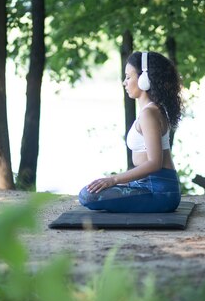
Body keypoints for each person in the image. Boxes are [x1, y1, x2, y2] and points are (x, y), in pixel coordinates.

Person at [78, 51, 184, 213]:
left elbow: (155, 162)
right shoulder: (151, 111)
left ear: (144, 79)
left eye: (128, 77)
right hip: (149, 186)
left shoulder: (149, 113)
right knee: (92, 190)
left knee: (88, 195)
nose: (124, 82)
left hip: (159, 192)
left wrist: (114, 179)